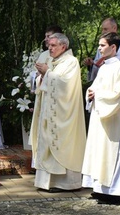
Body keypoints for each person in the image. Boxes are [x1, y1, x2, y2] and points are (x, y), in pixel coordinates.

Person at [30, 33, 86, 191]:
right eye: (49, 45)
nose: (50, 48)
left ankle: (66, 183)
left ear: (63, 46)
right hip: (48, 112)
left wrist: (47, 73)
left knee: (62, 144)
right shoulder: (50, 60)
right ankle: (46, 182)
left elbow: (65, 85)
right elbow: (43, 83)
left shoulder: (71, 62)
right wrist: (41, 76)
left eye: (53, 45)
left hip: (63, 114)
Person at [81, 32, 120, 202]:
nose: (99, 48)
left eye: (102, 45)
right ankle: (99, 188)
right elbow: (94, 89)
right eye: (99, 45)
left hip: (112, 119)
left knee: (111, 153)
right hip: (100, 117)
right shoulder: (104, 68)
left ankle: (114, 191)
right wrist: (90, 94)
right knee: (99, 152)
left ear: (113, 47)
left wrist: (98, 95)